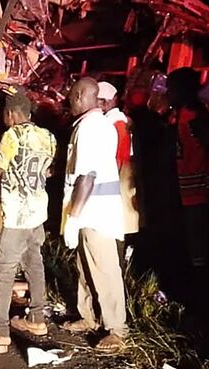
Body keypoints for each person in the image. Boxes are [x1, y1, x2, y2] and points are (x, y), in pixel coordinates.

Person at [0, 87, 57, 353]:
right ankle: (37, 318)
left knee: (4, 271)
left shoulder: (11, 135)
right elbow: (48, 171)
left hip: (16, 213)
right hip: (38, 212)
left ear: (13, 114)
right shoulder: (47, 136)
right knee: (34, 263)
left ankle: (0, 332)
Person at [60, 77, 127, 351]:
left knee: (104, 269)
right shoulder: (97, 125)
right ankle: (87, 315)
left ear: (78, 96)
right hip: (93, 209)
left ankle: (117, 329)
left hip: (94, 212)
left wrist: (74, 218)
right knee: (86, 267)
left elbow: (86, 177)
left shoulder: (90, 128)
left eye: (70, 98)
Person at [166, 67, 209, 272]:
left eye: (171, 88)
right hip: (186, 191)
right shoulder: (180, 115)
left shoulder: (196, 117)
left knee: (201, 248)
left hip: (199, 192)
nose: (167, 93)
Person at [98, 81, 139, 263]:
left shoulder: (115, 125)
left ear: (106, 103)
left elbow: (117, 161)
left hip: (115, 187)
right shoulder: (119, 123)